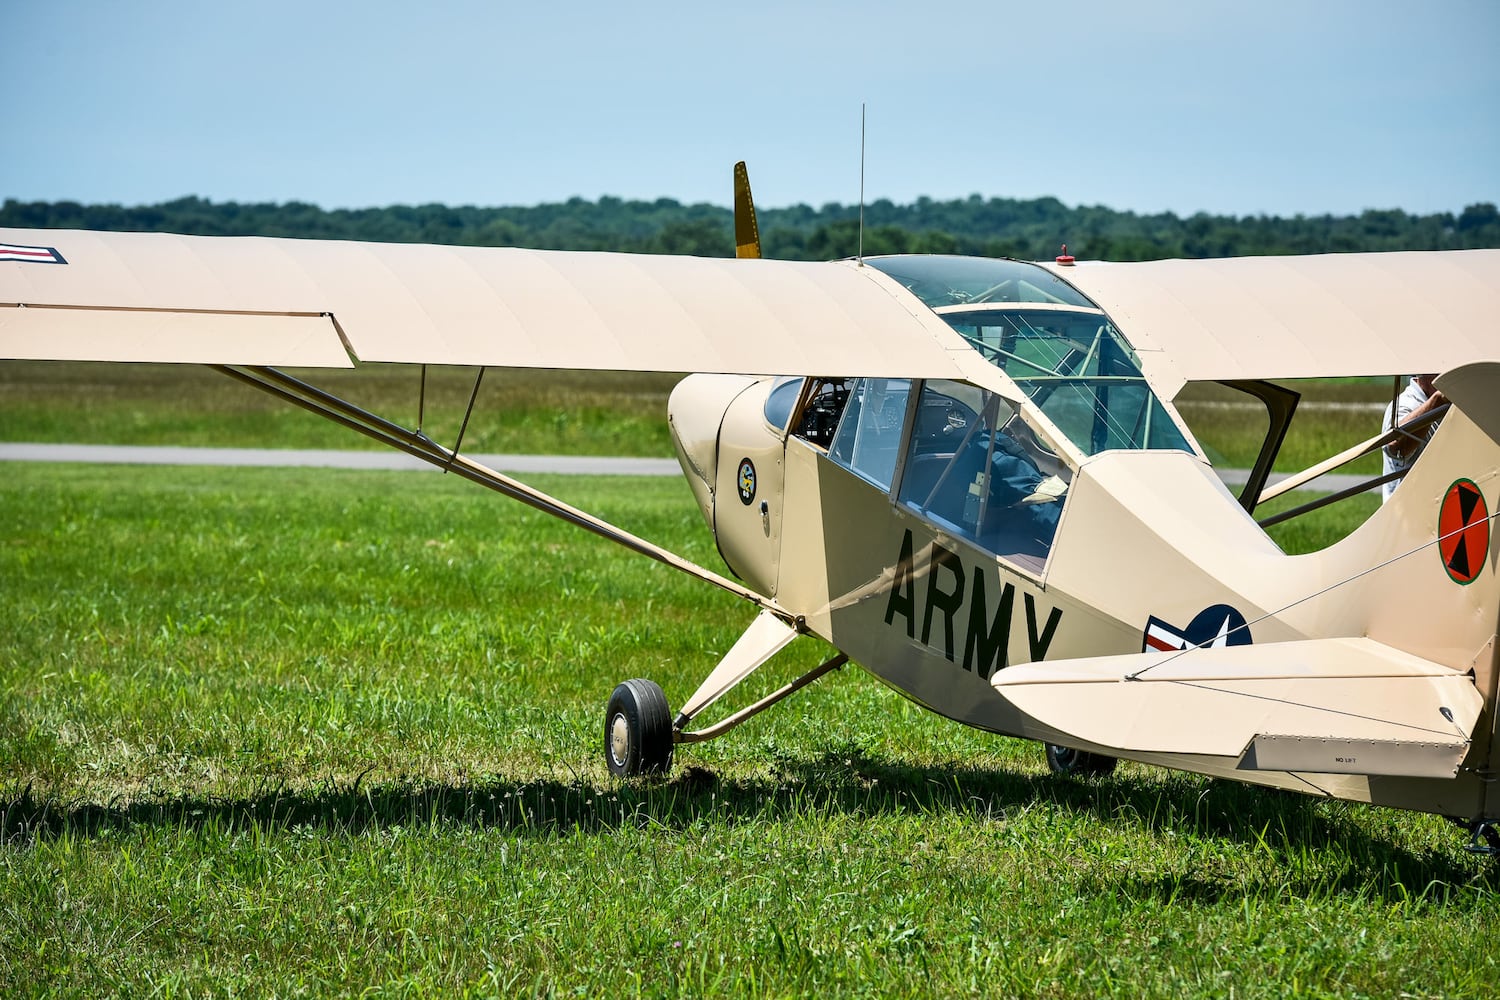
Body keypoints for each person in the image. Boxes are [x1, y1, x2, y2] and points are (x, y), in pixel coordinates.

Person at [1381, 374, 1447, 502]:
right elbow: (1395, 446)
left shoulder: (1455, 404)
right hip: (1406, 512)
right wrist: (1437, 400)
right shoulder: (1405, 403)